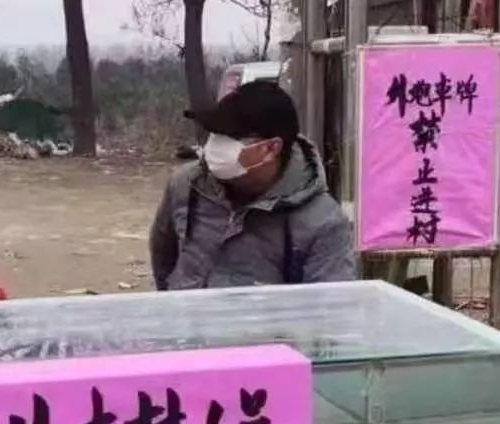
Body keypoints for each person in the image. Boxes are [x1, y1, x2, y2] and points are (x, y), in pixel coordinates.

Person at [149, 79, 355, 291]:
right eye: (214, 133)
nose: (215, 145)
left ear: (270, 149)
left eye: (231, 138)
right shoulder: (186, 185)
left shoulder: (322, 223)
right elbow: (164, 260)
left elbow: (330, 305)